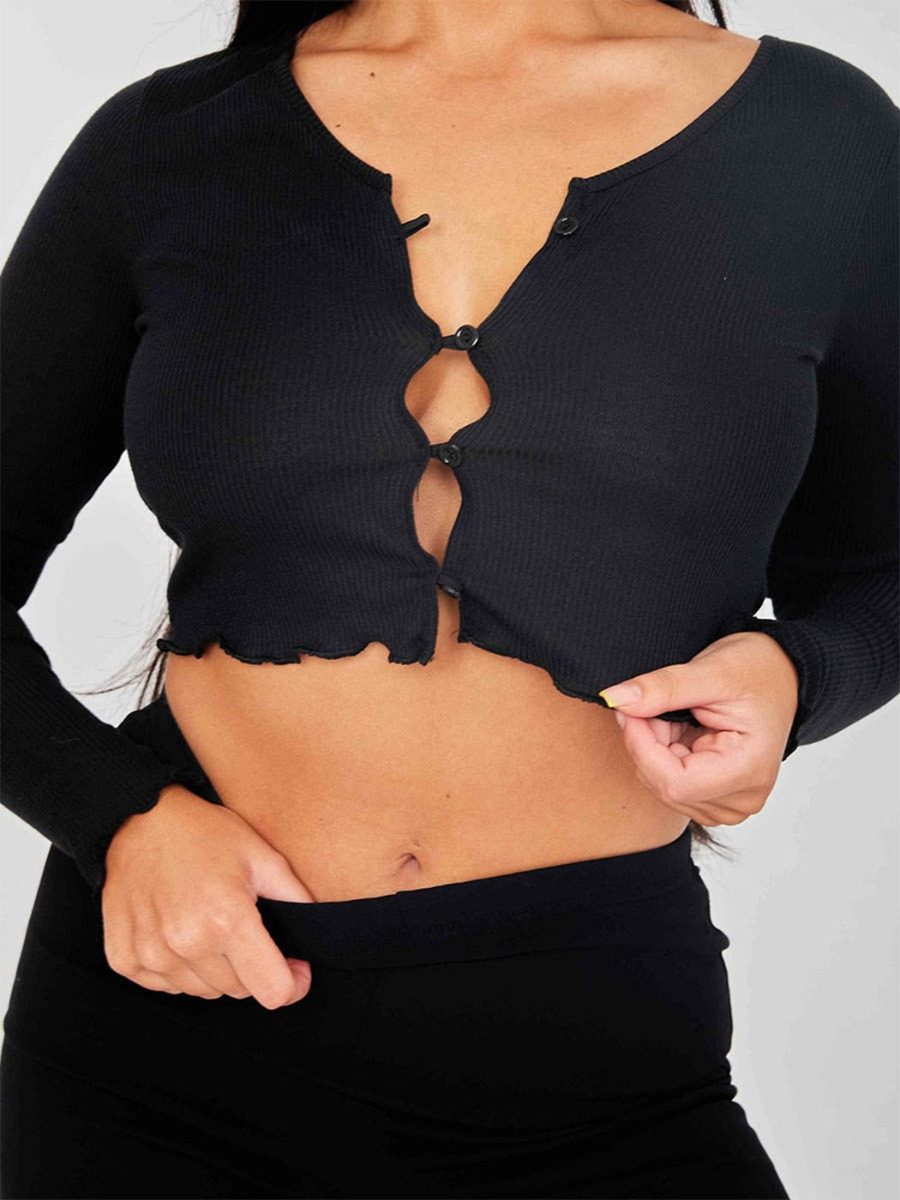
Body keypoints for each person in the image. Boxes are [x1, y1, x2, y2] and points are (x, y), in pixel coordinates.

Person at [1, 0, 897, 1195]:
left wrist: (797, 677)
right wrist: (117, 818)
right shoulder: (172, 142)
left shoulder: (816, 138)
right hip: (170, 1021)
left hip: (593, 1043)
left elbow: (880, 571)